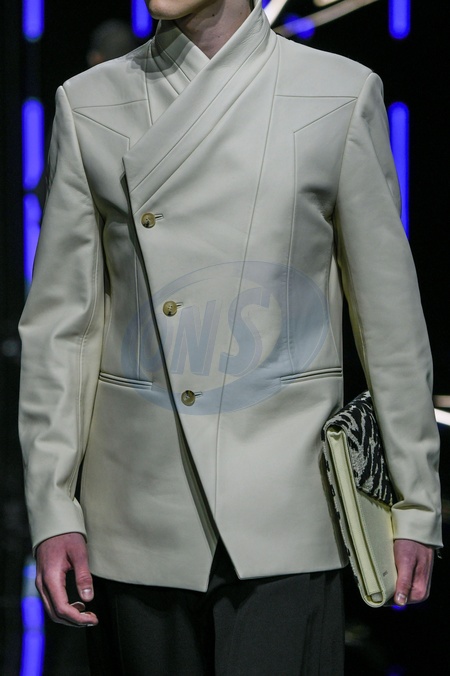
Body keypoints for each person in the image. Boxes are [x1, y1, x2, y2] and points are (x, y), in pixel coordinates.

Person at [19, 0, 442, 673]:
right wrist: (53, 506)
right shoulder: (89, 103)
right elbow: (61, 330)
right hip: (137, 507)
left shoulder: (337, 93)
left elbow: (390, 323)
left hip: (288, 504)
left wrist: (416, 503)